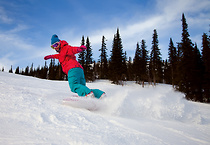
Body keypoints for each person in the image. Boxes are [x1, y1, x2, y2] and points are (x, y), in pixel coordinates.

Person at [44, 34, 105, 99]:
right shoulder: (61, 53)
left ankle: (87, 95)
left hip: (72, 69)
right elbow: (57, 56)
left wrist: (79, 49)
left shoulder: (65, 48)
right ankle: (100, 95)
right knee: (81, 87)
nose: (55, 47)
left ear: (60, 43)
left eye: (56, 45)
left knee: (74, 86)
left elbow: (72, 50)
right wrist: (50, 56)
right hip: (79, 70)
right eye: (53, 47)